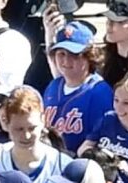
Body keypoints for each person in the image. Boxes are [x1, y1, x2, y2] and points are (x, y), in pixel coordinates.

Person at [42, 22, 116, 155]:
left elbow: (100, 144)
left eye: (74, 55)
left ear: (90, 56)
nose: (66, 61)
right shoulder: (53, 86)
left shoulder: (99, 92)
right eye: (61, 54)